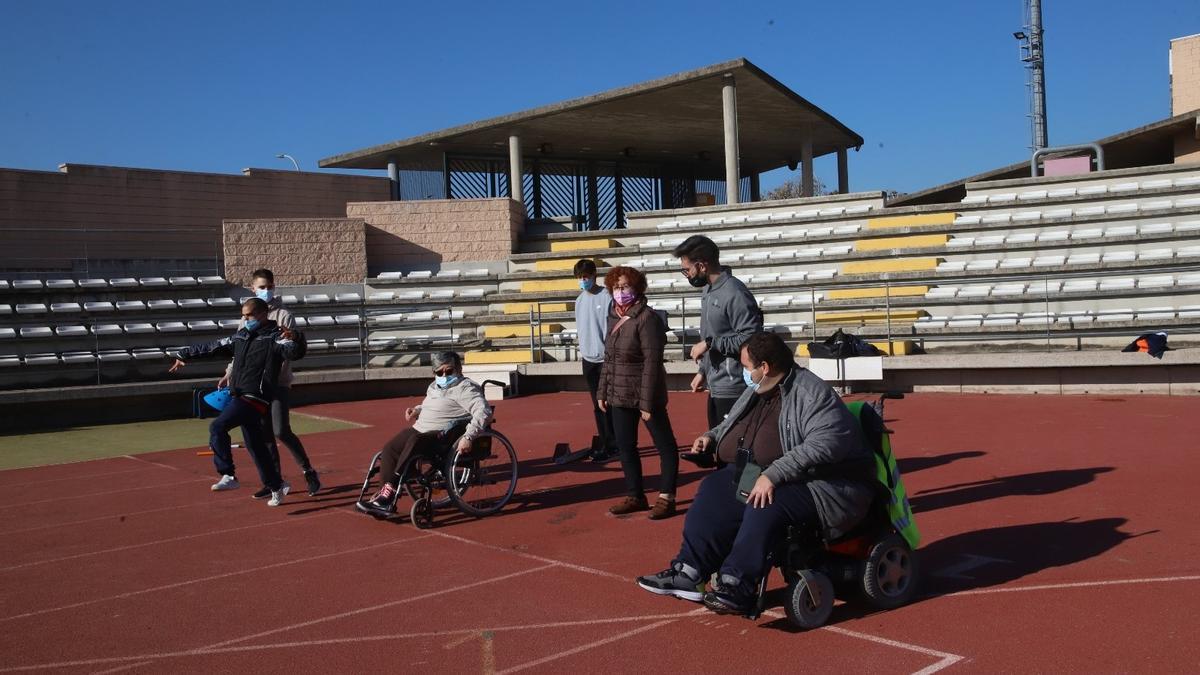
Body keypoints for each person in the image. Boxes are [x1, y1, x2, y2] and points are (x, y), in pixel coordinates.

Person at [635, 331, 876, 615]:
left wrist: (773, 474)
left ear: (765, 367)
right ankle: (689, 571)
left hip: (824, 484)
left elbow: (828, 443)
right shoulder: (757, 389)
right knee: (716, 488)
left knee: (764, 503)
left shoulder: (812, 393)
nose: (744, 372)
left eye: (747, 366)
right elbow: (733, 424)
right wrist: (711, 438)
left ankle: (737, 584)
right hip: (766, 473)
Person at [169, 297, 306, 507]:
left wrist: (296, 336)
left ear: (261, 315)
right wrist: (184, 354)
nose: (245, 319)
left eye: (248, 315)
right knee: (255, 447)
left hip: (256, 397)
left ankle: (228, 475)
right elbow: (213, 347)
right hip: (240, 394)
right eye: (243, 315)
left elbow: (296, 352)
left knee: (218, 426)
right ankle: (276, 486)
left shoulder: (276, 337)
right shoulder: (241, 337)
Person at [220, 268, 321, 498]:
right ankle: (274, 481)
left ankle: (309, 471)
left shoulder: (284, 316)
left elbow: (289, 349)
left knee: (280, 430)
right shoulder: (247, 317)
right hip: (253, 388)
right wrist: (229, 372)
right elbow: (239, 350)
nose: (266, 290)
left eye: (269, 286)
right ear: (252, 288)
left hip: (276, 385)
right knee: (263, 434)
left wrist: (274, 375)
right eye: (261, 287)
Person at [357, 351, 491, 517]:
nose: (444, 375)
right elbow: (430, 404)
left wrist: (469, 436)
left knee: (415, 440)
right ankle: (382, 495)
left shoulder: (466, 388)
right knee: (390, 448)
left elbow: (483, 411)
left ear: (459, 369)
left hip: (442, 435)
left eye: (449, 371)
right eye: (439, 372)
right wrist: (417, 410)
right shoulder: (434, 386)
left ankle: (390, 492)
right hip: (420, 429)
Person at [596, 265, 681, 519]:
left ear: (637, 288)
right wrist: (602, 391)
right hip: (619, 394)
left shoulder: (647, 319)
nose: (620, 292)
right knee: (625, 446)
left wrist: (646, 403)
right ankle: (636, 495)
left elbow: (652, 363)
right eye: (616, 287)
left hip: (646, 395)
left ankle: (667, 497)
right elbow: (608, 359)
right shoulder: (613, 316)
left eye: (625, 286)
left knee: (664, 445)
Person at [672, 234, 763, 466]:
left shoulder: (735, 293)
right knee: (719, 447)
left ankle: (744, 498)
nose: (687, 275)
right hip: (716, 383)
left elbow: (751, 338)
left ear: (702, 265)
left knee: (738, 451)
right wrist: (703, 370)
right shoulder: (708, 291)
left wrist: (711, 344)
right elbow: (710, 335)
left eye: (687, 270)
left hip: (735, 387)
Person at [574, 258, 617, 462]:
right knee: (596, 404)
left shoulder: (607, 296)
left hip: (605, 359)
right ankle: (606, 441)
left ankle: (614, 444)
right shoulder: (579, 300)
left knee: (608, 402)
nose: (583, 281)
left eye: (586, 277)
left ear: (594, 276)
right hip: (588, 359)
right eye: (580, 278)